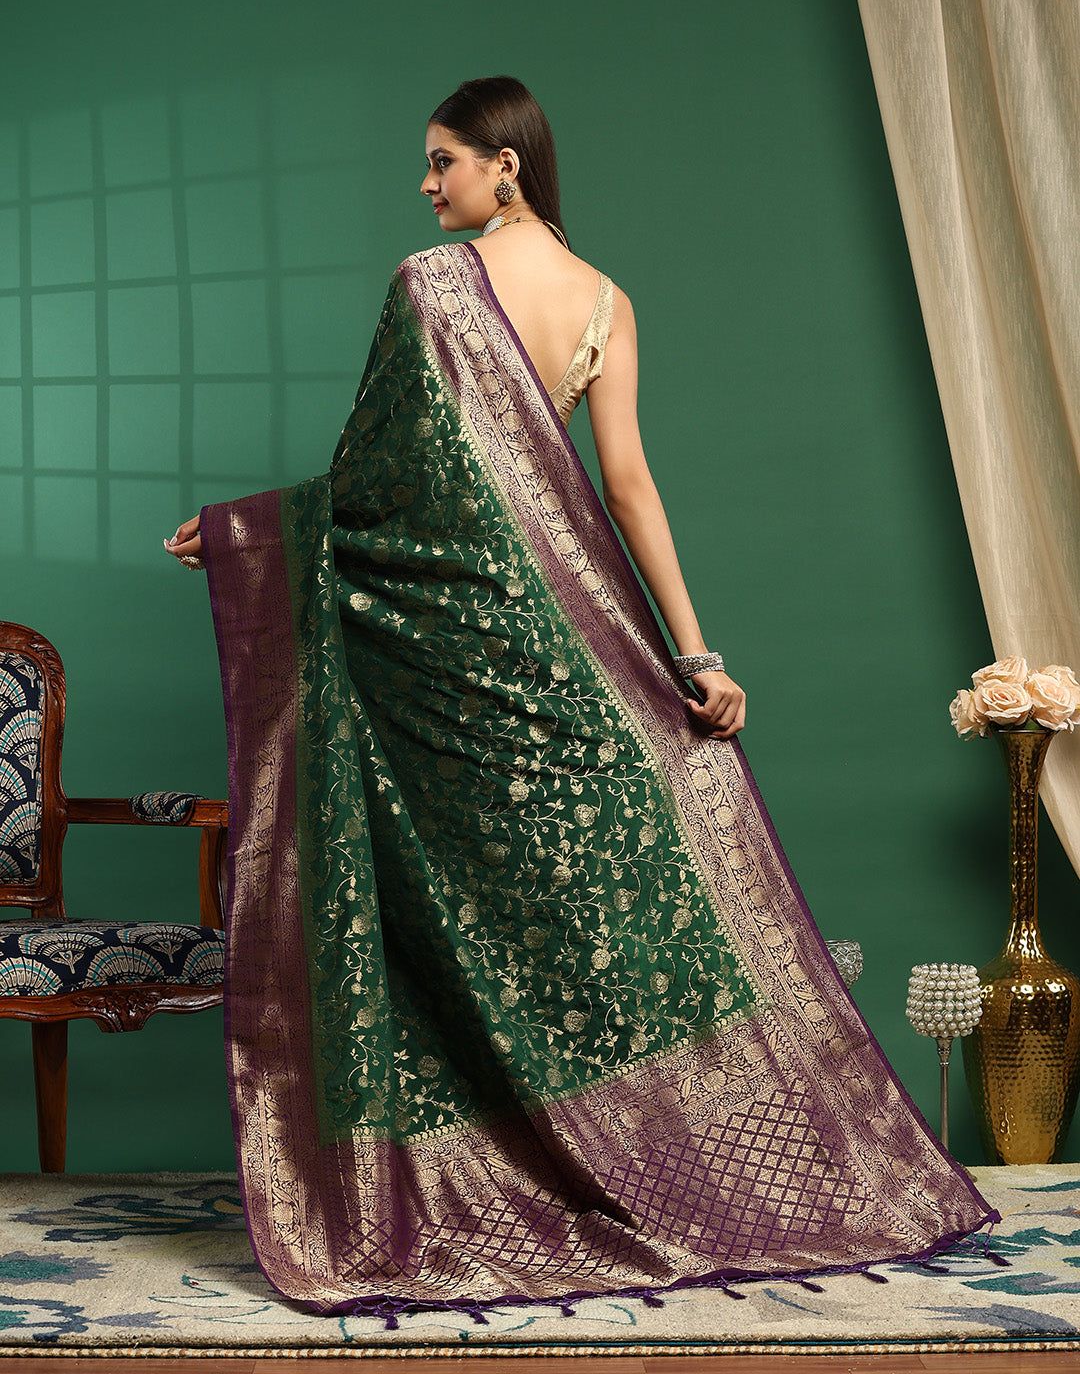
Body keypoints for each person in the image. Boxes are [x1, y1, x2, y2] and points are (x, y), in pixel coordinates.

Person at [166, 77, 995, 1325]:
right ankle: (658, 1168)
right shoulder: (607, 301)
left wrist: (250, 539)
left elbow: (381, 484)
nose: (426, 185)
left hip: (453, 651)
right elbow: (629, 486)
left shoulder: (429, 286)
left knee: (477, 907)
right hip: (568, 656)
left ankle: (516, 1175)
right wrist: (699, 656)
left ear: (505, 164)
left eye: (443, 160)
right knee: (581, 911)